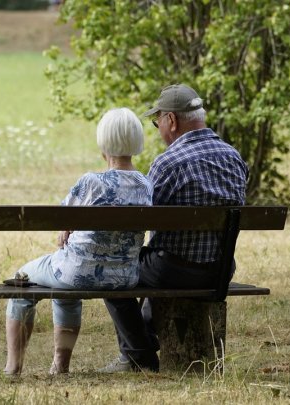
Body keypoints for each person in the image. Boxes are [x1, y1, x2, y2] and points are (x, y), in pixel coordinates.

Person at [99, 84, 249, 373]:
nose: (158, 130)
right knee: (157, 260)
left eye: (157, 123)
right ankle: (142, 344)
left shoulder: (168, 163)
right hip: (219, 270)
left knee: (111, 270)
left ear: (171, 120)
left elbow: (140, 220)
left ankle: (138, 355)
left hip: (173, 270)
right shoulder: (234, 157)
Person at [4, 107, 153, 375]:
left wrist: (67, 227)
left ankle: (13, 368)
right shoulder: (145, 184)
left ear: (103, 142)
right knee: (63, 287)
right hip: (124, 277)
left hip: (77, 272)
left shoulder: (91, 182)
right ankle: (59, 366)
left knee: (21, 280)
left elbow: (61, 217)